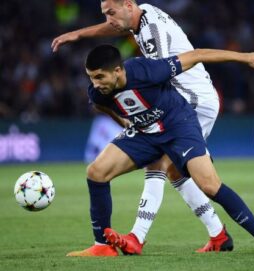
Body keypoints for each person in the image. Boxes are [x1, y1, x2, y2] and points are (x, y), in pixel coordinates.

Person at [67, 44, 254, 257]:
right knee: (96, 172)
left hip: (178, 126)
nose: (94, 84)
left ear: (117, 71)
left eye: (99, 77)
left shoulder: (147, 70)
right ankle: (102, 246)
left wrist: (246, 58)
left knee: (210, 185)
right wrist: (123, 122)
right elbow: (100, 104)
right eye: (91, 77)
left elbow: (197, 55)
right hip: (145, 133)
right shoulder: (98, 92)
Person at [53, 0, 234, 254]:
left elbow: (164, 74)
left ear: (128, 5)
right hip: (188, 95)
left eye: (111, 13)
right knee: (174, 171)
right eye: (105, 15)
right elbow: (118, 27)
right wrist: (79, 33)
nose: (109, 20)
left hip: (192, 97)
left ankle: (136, 237)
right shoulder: (143, 13)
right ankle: (218, 234)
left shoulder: (152, 34)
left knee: (158, 161)